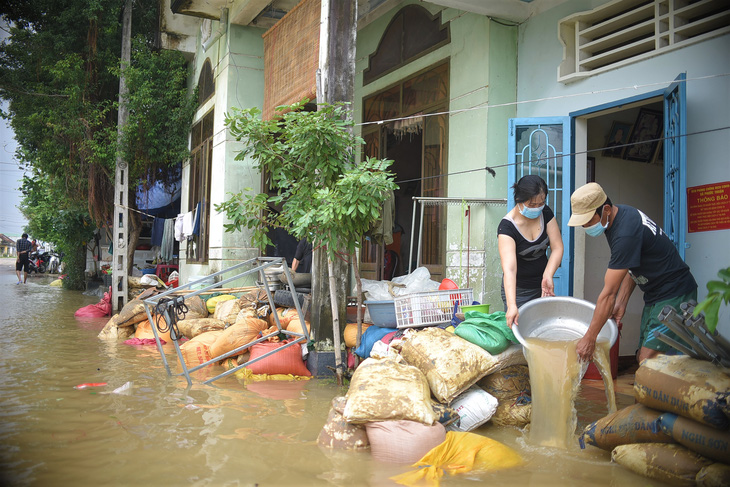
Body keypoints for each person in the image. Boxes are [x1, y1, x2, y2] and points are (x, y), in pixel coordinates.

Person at [568, 182, 697, 363]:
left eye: (589, 221)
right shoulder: (621, 215)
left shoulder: (625, 233)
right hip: (655, 295)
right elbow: (631, 265)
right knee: (642, 356)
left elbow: (607, 295)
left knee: (649, 360)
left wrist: (590, 338)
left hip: (675, 294)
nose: (586, 227)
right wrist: (622, 302)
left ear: (605, 209)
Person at [498, 175, 564, 327]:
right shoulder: (507, 227)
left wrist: (548, 274)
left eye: (541, 203)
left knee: (544, 330)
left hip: (542, 287)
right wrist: (512, 304)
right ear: (519, 200)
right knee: (521, 333)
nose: (537, 208)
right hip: (519, 290)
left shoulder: (545, 213)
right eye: (532, 204)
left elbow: (557, 247)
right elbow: (509, 269)